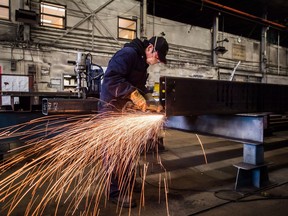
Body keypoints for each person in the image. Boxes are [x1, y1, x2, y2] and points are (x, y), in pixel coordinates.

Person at [99, 36, 169, 208]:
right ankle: (116, 192)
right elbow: (111, 80)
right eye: (157, 58)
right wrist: (132, 94)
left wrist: (151, 101)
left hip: (126, 111)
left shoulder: (142, 62)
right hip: (112, 110)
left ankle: (128, 183)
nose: (156, 62)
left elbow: (140, 88)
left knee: (128, 151)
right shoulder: (127, 54)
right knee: (115, 153)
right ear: (150, 48)